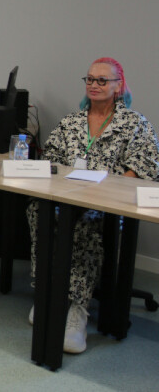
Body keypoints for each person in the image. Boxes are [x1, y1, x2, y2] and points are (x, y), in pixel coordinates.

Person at [26, 57, 159, 354]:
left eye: (102, 80)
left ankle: (77, 307)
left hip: (107, 205)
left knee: (86, 223)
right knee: (37, 210)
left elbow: (147, 165)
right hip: (67, 195)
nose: (94, 85)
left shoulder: (134, 123)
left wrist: (107, 189)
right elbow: (51, 160)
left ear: (118, 86)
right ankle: (47, 292)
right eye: (89, 79)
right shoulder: (71, 122)